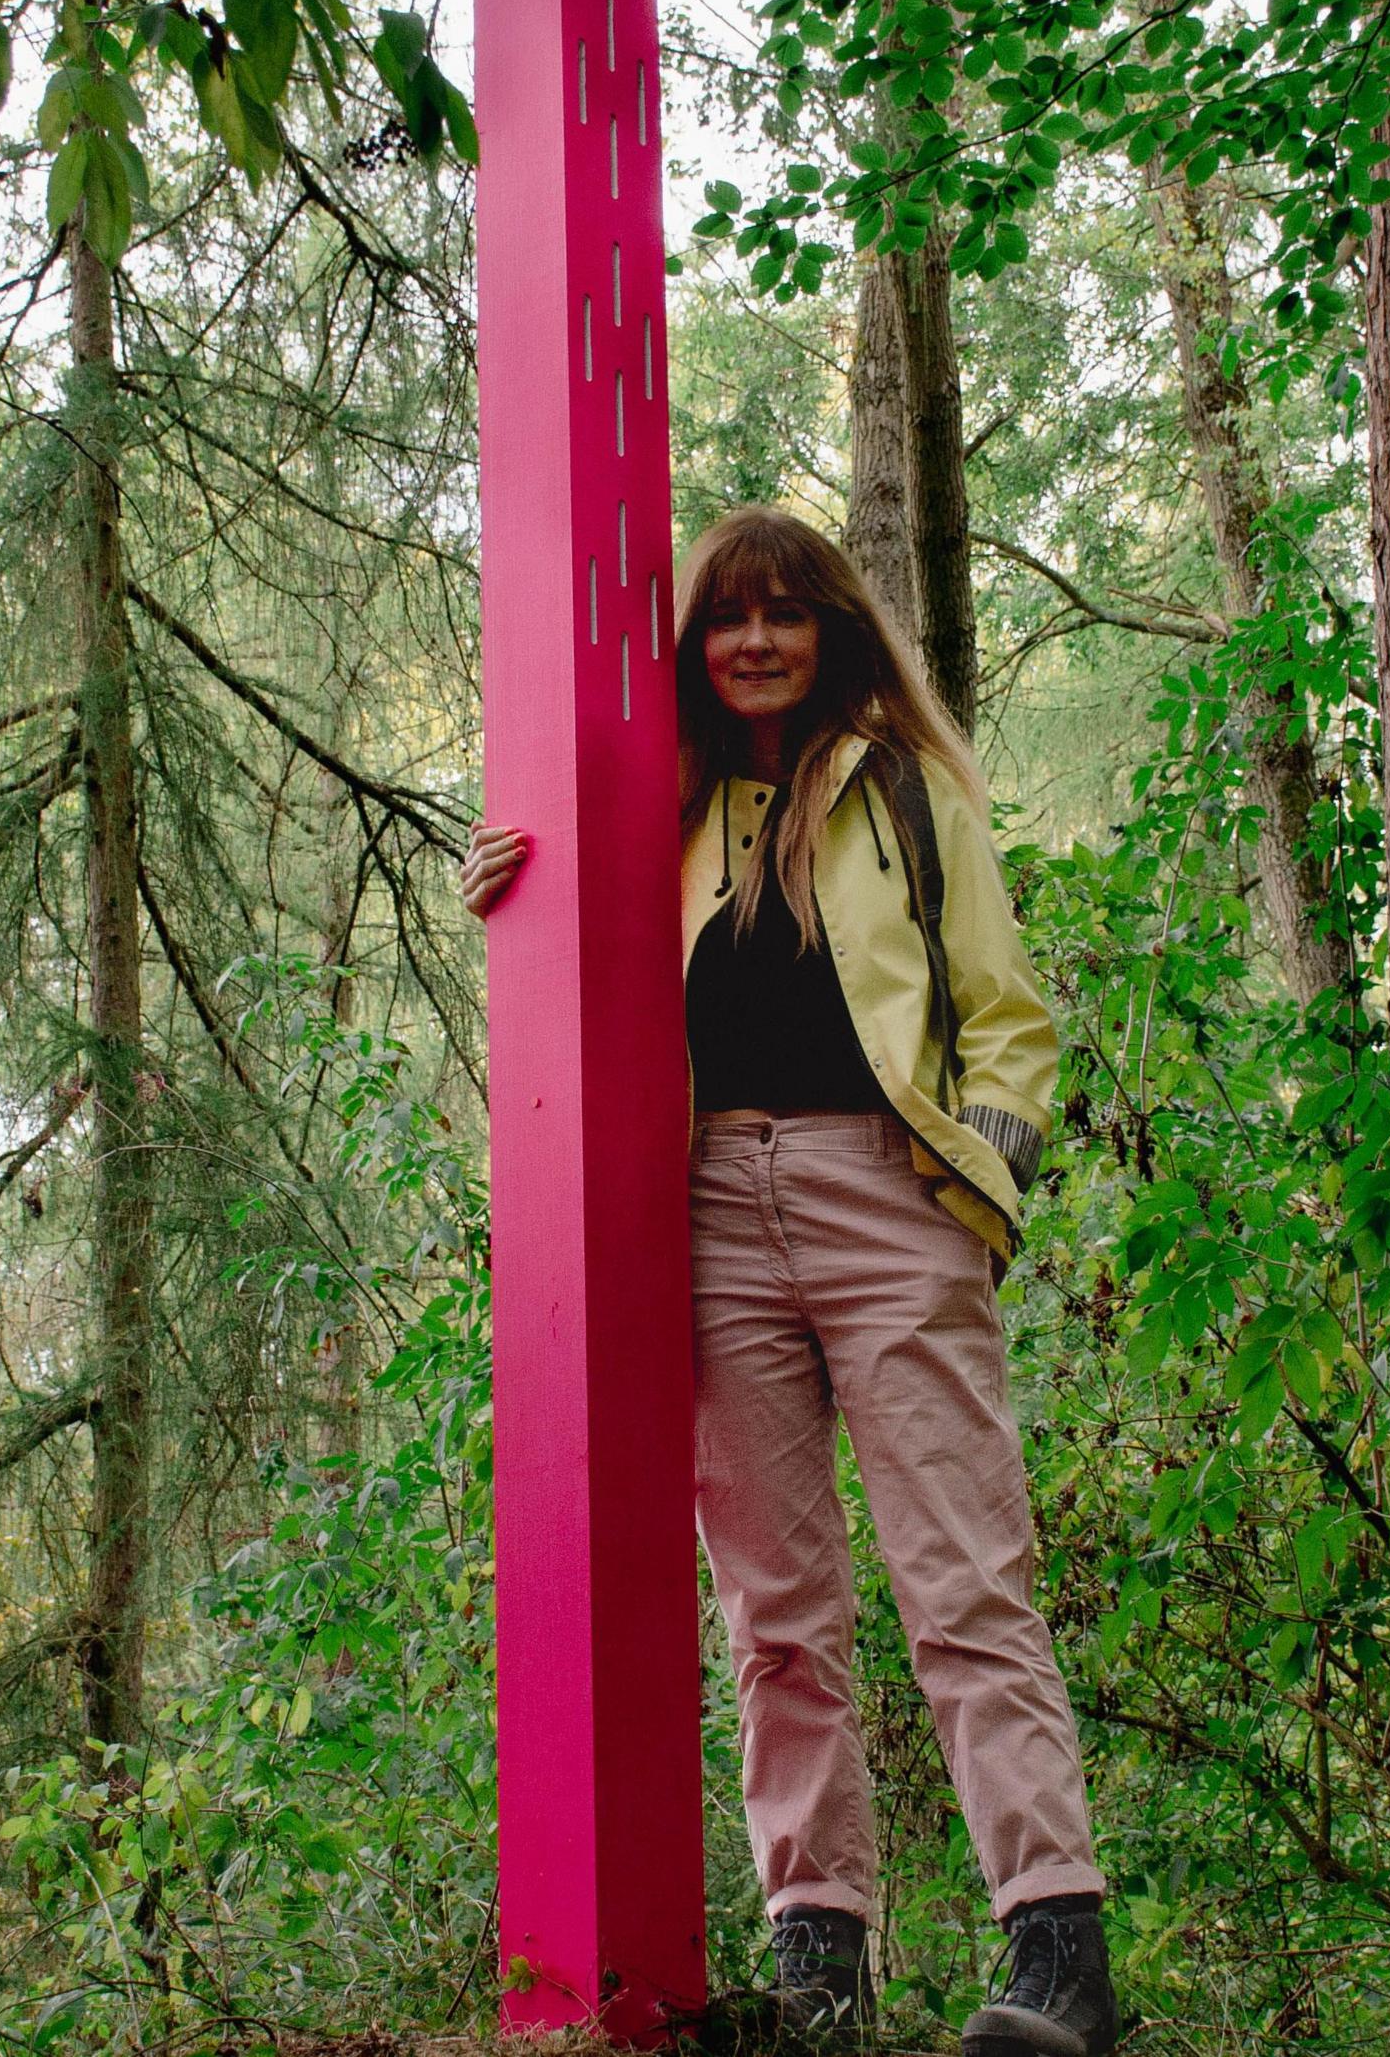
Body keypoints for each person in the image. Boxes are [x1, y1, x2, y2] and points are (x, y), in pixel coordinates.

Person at [458, 505, 1117, 2056]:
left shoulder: (902, 788)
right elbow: (581, 971)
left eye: (787, 614)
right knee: (775, 1609)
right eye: (729, 618)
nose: (757, 641)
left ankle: (1061, 1962)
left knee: (963, 1581)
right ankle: (820, 1964)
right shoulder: (661, 808)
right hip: (711, 1216)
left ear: (832, 630)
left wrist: (976, 1180)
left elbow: (1006, 1015)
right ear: (696, 645)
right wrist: (513, 888)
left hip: (889, 1198)